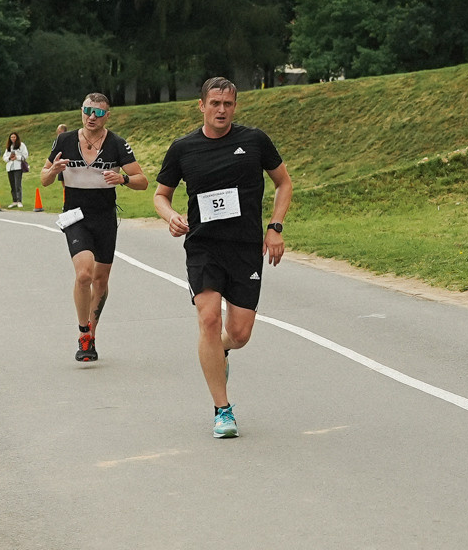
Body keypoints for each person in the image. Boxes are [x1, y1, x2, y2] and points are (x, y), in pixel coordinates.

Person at [153, 78, 293, 438]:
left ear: (235, 106)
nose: (221, 110)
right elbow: (161, 195)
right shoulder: (183, 148)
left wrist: (275, 227)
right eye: (215, 103)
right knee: (210, 320)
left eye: (228, 104)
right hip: (204, 246)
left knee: (239, 333)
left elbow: (283, 183)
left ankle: (220, 353)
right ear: (201, 105)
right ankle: (222, 409)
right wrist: (171, 217)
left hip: (245, 248)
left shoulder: (254, 141)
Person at [42, 95, 145, 363]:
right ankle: (83, 331)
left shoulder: (117, 144)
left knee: (100, 280)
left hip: (105, 217)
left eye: (98, 112)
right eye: (88, 111)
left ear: (107, 116)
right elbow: (44, 179)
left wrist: (122, 178)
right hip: (75, 216)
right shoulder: (65, 141)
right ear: (81, 112)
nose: (92, 116)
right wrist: (53, 170)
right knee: (85, 274)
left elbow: (142, 181)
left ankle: (92, 333)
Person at [5, 131, 28, 208]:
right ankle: (14, 200)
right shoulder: (9, 146)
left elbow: (25, 156)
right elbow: (4, 157)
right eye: (11, 137)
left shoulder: (21, 145)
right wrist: (9, 158)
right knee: (12, 185)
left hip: (18, 167)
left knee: (17, 184)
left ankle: (19, 200)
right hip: (10, 167)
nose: (13, 139)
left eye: (14, 137)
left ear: (17, 137)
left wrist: (17, 157)